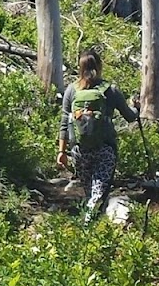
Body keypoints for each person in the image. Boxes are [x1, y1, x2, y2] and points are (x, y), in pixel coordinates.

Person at [57, 45, 138, 225]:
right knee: (99, 193)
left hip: (79, 150)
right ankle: (89, 229)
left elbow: (64, 122)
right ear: (99, 67)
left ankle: (92, 227)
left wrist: (62, 152)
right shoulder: (110, 90)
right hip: (105, 149)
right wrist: (137, 107)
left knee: (90, 193)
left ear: (80, 68)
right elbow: (130, 116)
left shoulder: (72, 90)